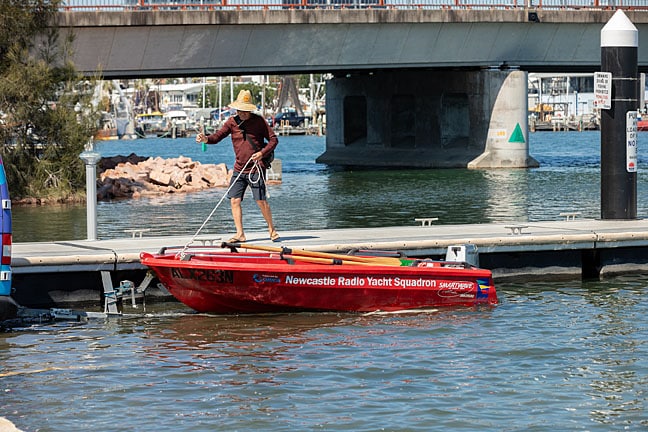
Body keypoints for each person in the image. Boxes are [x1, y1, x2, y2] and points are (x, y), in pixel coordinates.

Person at [196, 89, 280, 243]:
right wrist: (205, 139)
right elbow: (217, 137)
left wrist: (262, 153)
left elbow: (274, 140)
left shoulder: (259, 121)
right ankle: (240, 233)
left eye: (245, 111)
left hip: (256, 167)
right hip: (239, 168)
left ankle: (271, 229)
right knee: (234, 200)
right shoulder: (232, 122)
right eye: (239, 110)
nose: (242, 113)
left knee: (260, 200)